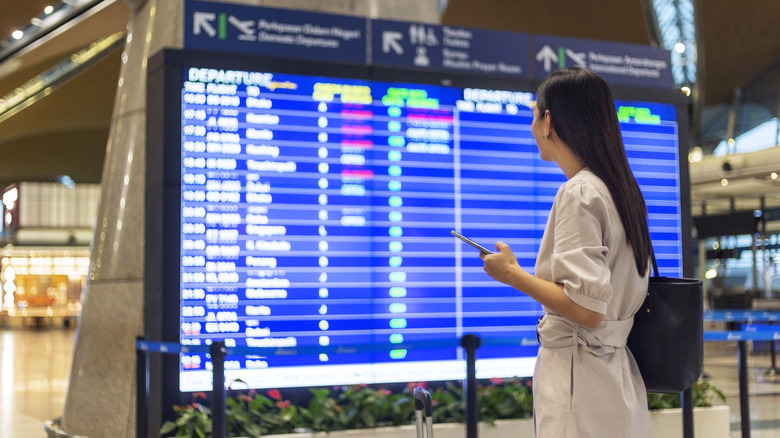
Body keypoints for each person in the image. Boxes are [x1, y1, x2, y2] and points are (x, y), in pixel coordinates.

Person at [480, 67, 653, 437]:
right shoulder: (622, 191)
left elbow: (587, 310)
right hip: (616, 378)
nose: (532, 128)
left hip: (581, 381)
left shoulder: (579, 192)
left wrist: (513, 274)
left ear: (548, 121)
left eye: (533, 114)